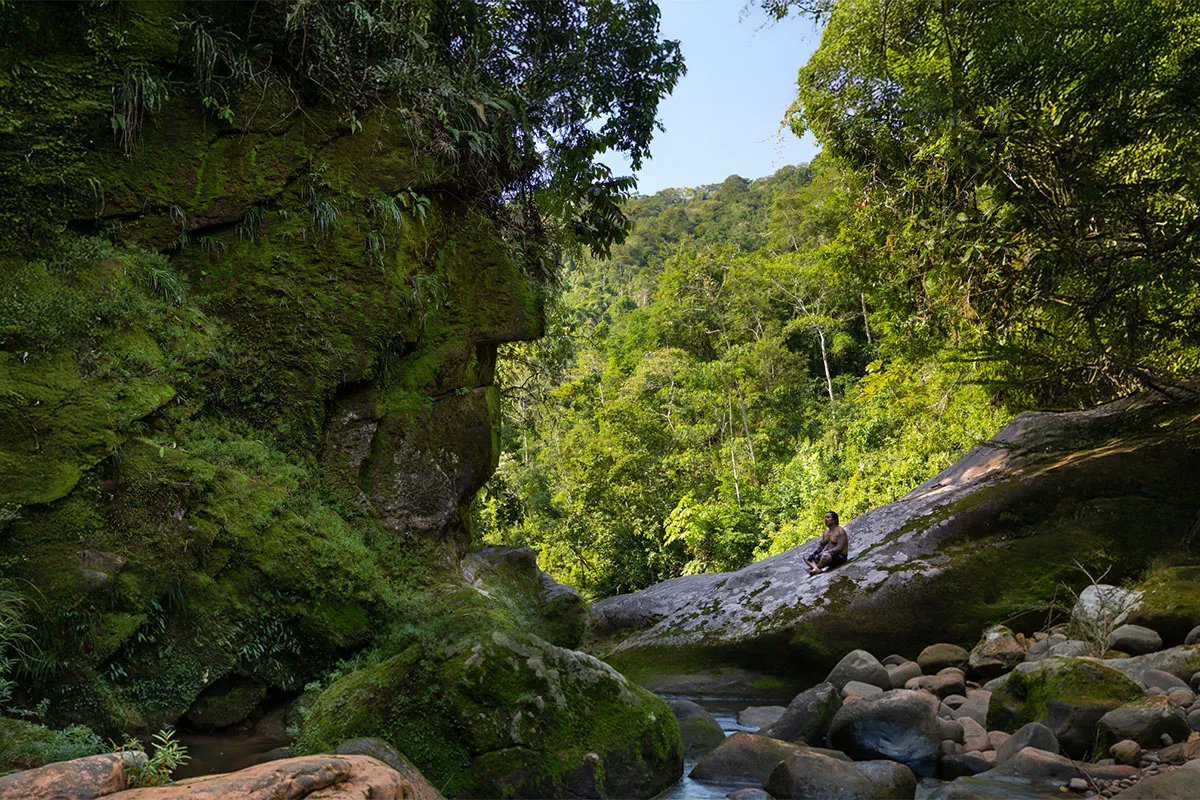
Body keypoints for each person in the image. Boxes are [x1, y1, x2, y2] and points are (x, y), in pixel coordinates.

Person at [805, 511, 849, 575]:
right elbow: (821, 546)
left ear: (835, 520)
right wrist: (814, 554)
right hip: (826, 555)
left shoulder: (840, 532)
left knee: (825, 556)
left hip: (840, 557)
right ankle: (816, 568)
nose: (826, 519)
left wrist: (827, 552)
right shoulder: (826, 532)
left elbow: (839, 548)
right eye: (825, 517)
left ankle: (815, 567)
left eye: (828, 517)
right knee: (806, 555)